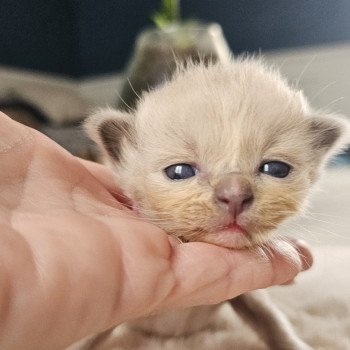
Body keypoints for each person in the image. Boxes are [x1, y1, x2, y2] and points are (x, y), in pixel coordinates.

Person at [0, 112, 312, 349]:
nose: (231, 193)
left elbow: (255, 306)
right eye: (180, 171)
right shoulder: (135, 241)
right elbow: (110, 309)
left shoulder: (226, 252)